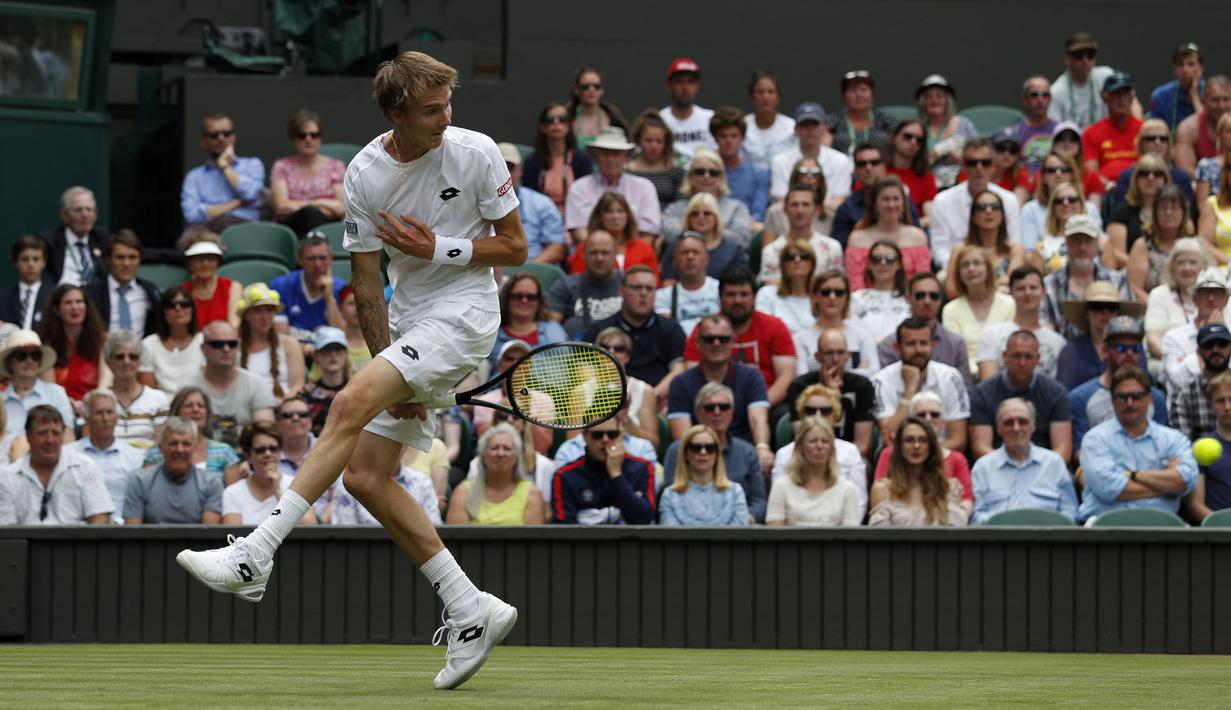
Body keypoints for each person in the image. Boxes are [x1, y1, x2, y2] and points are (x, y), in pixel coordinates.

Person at [175, 52, 523, 690]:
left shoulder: (476, 152)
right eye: (430, 110)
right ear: (396, 114)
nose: (445, 118)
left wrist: (436, 248)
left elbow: (516, 245)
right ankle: (470, 606)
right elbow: (365, 287)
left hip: (468, 313)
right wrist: (394, 373)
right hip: (412, 323)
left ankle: (256, 554)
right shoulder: (365, 173)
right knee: (365, 475)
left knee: (342, 406)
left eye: (448, 104)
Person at [1078, 366, 1197, 523]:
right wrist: (1166, 485)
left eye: (1137, 396)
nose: (1129, 403)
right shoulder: (1095, 438)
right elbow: (1109, 488)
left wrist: (1132, 475)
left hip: (1164, 528)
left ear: (1150, 398)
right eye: (1122, 397)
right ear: (1112, 401)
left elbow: (1187, 481)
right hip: (1105, 527)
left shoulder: (1173, 439)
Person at [681, 267, 796, 419]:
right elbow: (694, 375)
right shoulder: (705, 330)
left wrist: (759, 405)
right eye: (731, 295)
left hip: (765, 402)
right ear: (720, 297)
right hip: (713, 406)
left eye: (744, 294)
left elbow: (786, 376)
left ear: (754, 296)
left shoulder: (774, 327)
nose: (738, 300)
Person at [669, 315, 771, 460]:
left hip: (742, 456)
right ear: (697, 342)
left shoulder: (751, 377)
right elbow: (683, 436)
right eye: (709, 339)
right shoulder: (680, 383)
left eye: (723, 339)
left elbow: (758, 419)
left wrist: (762, 448)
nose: (716, 344)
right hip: (699, 455)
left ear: (733, 342)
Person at [579, 265, 686, 397]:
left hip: (657, 398)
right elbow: (583, 370)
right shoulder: (599, 329)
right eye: (637, 287)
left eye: (650, 288)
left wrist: (649, 396)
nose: (643, 293)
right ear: (621, 291)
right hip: (608, 400)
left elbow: (679, 370)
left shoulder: (670, 329)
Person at [1069, 316, 1167, 458]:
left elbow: (1163, 446)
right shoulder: (1080, 398)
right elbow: (1079, 452)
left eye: (1136, 348)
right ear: (1104, 351)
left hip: (1147, 471)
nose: (1129, 354)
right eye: (1121, 348)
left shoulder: (1155, 398)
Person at [970, 398, 1079, 525]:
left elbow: (1070, 513)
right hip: (998, 541)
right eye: (1009, 422)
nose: (1016, 428)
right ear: (998, 428)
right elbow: (975, 518)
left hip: (1048, 541)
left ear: (1033, 425)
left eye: (1023, 421)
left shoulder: (1054, 463)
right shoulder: (983, 467)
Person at [969, 331, 1073, 463]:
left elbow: (1063, 450)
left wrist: (1035, 469)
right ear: (1005, 357)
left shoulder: (1056, 392)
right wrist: (1012, 467)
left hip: (1045, 469)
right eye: (1016, 356)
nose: (1022, 363)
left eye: (1028, 357)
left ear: (1038, 359)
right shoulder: (983, 393)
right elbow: (981, 447)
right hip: (998, 468)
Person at [871, 317, 970, 451]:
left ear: (932, 345)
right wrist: (909, 389)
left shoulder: (951, 377)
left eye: (923, 343)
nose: (918, 350)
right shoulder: (880, 381)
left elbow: (958, 440)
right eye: (911, 344)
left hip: (941, 455)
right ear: (897, 347)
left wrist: (923, 454)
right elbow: (889, 436)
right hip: (897, 458)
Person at [3, 405, 111, 524]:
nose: (50, 440)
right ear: (28, 436)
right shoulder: (8, 477)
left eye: (56, 433)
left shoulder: (85, 467)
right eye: (42, 433)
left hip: (77, 542)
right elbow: (6, 531)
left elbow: (100, 519)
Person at [771, 384, 868, 517]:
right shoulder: (784, 454)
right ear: (801, 414)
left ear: (836, 416)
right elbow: (777, 505)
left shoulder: (850, 452)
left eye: (826, 411)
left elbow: (859, 502)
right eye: (810, 410)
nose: (818, 415)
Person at [871, 391, 974, 515]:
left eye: (934, 414)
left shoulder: (951, 483)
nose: (928, 419)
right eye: (921, 415)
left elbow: (966, 500)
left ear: (943, 421)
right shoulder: (888, 457)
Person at [930, 138, 1022, 272]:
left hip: (1000, 269)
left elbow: (1014, 242)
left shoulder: (1009, 199)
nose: (979, 168)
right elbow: (940, 250)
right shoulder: (942, 201)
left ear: (993, 165)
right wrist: (964, 270)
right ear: (963, 165)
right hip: (957, 270)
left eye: (985, 163)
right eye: (972, 163)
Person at [785, 330, 875, 459]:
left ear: (848, 356)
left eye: (840, 352)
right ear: (817, 357)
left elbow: (862, 445)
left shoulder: (862, 386)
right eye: (829, 353)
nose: (835, 359)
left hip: (848, 459)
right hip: (809, 458)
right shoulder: (800, 386)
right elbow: (801, 438)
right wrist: (830, 396)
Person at [876, 272, 973, 391]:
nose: (927, 301)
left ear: (940, 300)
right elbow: (886, 388)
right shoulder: (889, 345)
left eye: (933, 296)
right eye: (920, 295)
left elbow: (965, 390)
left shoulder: (956, 343)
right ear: (908, 298)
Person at [564, 127, 660, 246]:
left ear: (626, 157)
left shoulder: (644, 187)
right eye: (605, 154)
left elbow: (648, 234)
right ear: (595, 157)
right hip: (593, 255)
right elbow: (579, 231)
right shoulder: (579, 188)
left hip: (634, 256)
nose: (610, 159)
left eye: (616, 154)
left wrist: (626, 256)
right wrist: (605, 253)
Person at [551, 417, 656, 525]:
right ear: (585, 436)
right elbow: (565, 530)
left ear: (621, 434)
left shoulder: (642, 468)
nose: (605, 440)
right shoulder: (565, 476)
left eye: (612, 434)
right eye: (597, 435)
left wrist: (616, 475)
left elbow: (644, 519)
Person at [188, 320, 277, 446]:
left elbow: (266, 433)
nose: (226, 349)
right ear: (203, 349)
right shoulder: (188, 388)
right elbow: (183, 434)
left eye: (232, 344)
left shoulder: (257, 385)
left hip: (246, 458)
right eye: (218, 344)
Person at [868, 415, 968, 527]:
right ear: (899, 446)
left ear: (931, 446)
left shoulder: (948, 488)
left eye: (923, 440)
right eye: (909, 440)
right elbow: (879, 539)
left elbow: (957, 535)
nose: (916, 446)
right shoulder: (882, 489)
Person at [1042, 214, 1130, 340]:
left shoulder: (1117, 280)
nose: (1082, 247)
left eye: (1088, 241)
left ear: (1097, 244)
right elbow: (1046, 329)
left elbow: (1124, 324)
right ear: (1066, 243)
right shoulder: (1049, 284)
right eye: (1076, 240)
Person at [124, 416, 223, 524]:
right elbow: (133, 534)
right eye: (173, 443)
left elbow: (209, 535)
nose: (179, 450)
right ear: (161, 448)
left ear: (195, 448)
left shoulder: (211, 484)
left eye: (186, 444)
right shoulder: (140, 481)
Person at [180, 113, 264, 240]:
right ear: (203, 141)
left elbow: (250, 194)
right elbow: (191, 215)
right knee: (186, 241)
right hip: (205, 231)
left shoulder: (252, 164)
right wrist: (238, 202)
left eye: (226, 133)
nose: (221, 138)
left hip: (244, 228)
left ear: (234, 137)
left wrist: (225, 167)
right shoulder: (194, 176)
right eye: (214, 135)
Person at [69, 388, 146, 524]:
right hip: (78, 532)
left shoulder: (134, 457)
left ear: (116, 417)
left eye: (109, 412)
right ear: (86, 418)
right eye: (99, 413)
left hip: (122, 533)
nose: (105, 418)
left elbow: (139, 503)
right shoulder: (69, 454)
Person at [976, 266, 1067, 380]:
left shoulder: (1058, 343)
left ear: (1043, 292)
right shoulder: (991, 335)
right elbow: (988, 387)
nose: (1027, 293)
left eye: (1033, 288)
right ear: (1011, 292)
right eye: (1021, 288)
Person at [766, 417, 861, 527]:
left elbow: (851, 538)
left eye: (825, 441)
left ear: (832, 448)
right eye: (812, 441)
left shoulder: (847, 489)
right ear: (800, 447)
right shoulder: (781, 486)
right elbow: (774, 535)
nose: (819, 446)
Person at [447, 423, 546, 525]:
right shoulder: (463, 493)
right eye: (494, 448)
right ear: (483, 455)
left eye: (507, 448)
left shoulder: (531, 494)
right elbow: (455, 538)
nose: (500, 454)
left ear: (517, 457)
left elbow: (533, 539)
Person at [845, 176, 932, 291]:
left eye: (896, 199)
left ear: (903, 203)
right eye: (885, 199)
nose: (891, 205)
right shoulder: (857, 239)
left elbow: (922, 283)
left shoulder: (918, 237)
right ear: (875, 203)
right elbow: (855, 284)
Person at [141, 385, 242, 484]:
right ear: (176, 412)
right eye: (189, 405)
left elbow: (232, 495)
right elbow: (144, 488)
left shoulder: (224, 452)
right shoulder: (157, 451)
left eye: (201, 406)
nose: (195, 409)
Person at [223, 422, 317, 526]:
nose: (268, 454)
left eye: (273, 449)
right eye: (260, 450)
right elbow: (232, 536)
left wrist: (278, 491)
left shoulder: (298, 485)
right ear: (248, 455)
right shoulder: (233, 492)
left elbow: (309, 527)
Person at [1056, 280, 1145, 390]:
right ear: (1087, 314)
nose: (1105, 313)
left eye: (1111, 308)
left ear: (1118, 313)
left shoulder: (1134, 348)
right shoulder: (1071, 350)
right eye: (1097, 307)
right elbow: (1064, 391)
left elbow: (1143, 384)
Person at [941, 245, 1016, 375]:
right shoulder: (950, 310)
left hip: (1005, 374)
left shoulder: (1009, 303)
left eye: (976, 263)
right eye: (965, 265)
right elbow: (954, 353)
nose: (971, 268)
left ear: (988, 268)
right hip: (967, 376)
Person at [270, 109, 346, 236]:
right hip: (291, 227)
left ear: (320, 137)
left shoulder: (335, 166)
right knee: (308, 214)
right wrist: (320, 204)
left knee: (311, 214)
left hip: (327, 225)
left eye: (314, 135)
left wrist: (308, 205)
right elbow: (281, 206)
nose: (308, 139)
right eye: (302, 135)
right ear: (293, 138)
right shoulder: (281, 166)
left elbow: (340, 208)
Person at [831, 144, 922, 247]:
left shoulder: (904, 202)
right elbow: (842, 248)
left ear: (883, 166)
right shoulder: (846, 208)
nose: (868, 168)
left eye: (874, 162)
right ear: (855, 170)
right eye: (862, 164)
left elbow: (916, 239)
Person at [659, 424, 750, 526]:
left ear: (717, 454)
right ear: (685, 454)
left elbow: (738, 535)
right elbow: (671, 537)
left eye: (710, 448)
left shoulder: (735, 492)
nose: (703, 452)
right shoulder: (670, 495)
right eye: (696, 448)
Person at [661, 148, 753, 247]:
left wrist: (692, 231)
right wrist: (715, 233)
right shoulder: (675, 208)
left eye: (713, 173)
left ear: (721, 178)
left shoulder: (737, 208)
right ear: (690, 176)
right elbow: (670, 236)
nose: (706, 176)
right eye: (700, 172)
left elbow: (740, 239)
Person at [770, 102, 853, 210]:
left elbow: (839, 200)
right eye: (805, 125)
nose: (810, 129)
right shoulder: (780, 161)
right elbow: (781, 200)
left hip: (827, 219)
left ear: (824, 128)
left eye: (815, 124)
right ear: (795, 130)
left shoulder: (841, 161)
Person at [1161, 270, 1231, 396]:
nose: (1210, 299)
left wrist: (1192, 359)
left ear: (1226, 300)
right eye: (1205, 293)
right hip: (1188, 407)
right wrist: (1207, 337)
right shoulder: (1174, 337)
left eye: (1216, 293)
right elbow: (1179, 380)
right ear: (1195, 298)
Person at [757, 184, 842, 286]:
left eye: (805, 205)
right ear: (785, 210)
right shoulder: (771, 251)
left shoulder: (832, 248)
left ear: (817, 210)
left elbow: (836, 286)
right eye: (794, 205)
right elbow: (770, 289)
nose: (800, 210)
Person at [944, 190, 1025, 296]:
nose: (988, 211)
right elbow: (952, 290)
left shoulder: (1014, 249)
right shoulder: (960, 250)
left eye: (995, 206)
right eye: (982, 207)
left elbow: (1015, 285)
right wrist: (999, 284)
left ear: (1002, 215)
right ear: (973, 216)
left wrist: (974, 287)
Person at [1022, 152, 1102, 259]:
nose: (1058, 174)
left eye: (1064, 169)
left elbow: (1100, 245)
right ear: (1043, 176)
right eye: (1051, 170)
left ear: (1072, 174)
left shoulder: (1090, 208)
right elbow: (1029, 252)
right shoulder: (1030, 209)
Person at [495, 142, 564, 265]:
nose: (504, 174)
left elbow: (556, 248)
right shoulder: (473, 204)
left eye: (509, 168)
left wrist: (525, 270)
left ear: (520, 171)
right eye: (499, 168)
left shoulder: (542, 203)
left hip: (532, 272)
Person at [38, 283, 106, 405]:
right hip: (59, 408)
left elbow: (105, 383)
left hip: (95, 407)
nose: (75, 307)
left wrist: (88, 404)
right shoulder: (47, 345)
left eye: (79, 301)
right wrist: (68, 404)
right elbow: (49, 388)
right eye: (68, 303)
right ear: (57, 310)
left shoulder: (101, 342)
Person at [82, 230, 159, 337]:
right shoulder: (91, 293)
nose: (126, 263)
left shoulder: (150, 291)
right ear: (108, 260)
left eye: (132, 257)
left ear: (139, 260)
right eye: (120, 257)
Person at [544, 230, 622, 336]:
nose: (599, 258)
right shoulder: (566, 285)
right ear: (583, 255)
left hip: (618, 349)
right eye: (593, 252)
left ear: (615, 255)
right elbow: (549, 328)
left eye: (605, 253)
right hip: (576, 349)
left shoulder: (629, 284)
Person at [1127, 186, 1196, 304]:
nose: (1168, 213)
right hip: (1151, 308)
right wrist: (1158, 309)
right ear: (1154, 213)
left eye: (1174, 208)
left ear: (1183, 212)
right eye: (1163, 208)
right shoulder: (1143, 245)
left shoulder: (1195, 245)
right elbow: (1135, 288)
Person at [566, 191, 659, 279]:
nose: (615, 217)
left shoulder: (644, 248)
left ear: (628, 216)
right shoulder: (586, 247)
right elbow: (577, 282)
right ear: (599, 217)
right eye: (609, 212)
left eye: (620, 211)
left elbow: (654, 281)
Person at [521, 101, 594, 213]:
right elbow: (529, 198)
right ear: (542, 126)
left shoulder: (581, 158)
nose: (556, 123)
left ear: (569, 125)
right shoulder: (533, 160)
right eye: (550, 120)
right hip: (541, 217)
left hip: (575, 216)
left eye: (562, 119)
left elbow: (587, 195)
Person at [237, 283, 306, 399]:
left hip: (284, 409)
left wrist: (282, 404)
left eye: (269, 311)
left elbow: (298, 386)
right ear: (246, 315)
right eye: (258, 311)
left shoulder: (289, 343)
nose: (264, 317)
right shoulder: (233, 346)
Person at [1143, 237, 1207, 363]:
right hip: (1167, 361)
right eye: (1181, 263)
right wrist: (1180, 362)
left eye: (1193, 262)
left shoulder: (1215, 296)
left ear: (1203, 267)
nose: (1187, 268)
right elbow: (1153, 341)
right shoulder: (1160, 294)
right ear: (1172, 267)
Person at [594, 327, 659, 451]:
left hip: (633, 457)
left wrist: (626, 421)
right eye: (605, 347)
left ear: (627, 356)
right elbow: (572, 444)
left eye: (619, 349)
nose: (611, 351)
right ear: (597, 354)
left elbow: (653, 446)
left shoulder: (644, 391)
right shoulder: (580, 390)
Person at [0, 330, 73, 440]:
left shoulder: (56, 393)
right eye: (22, 356)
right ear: (10, 362)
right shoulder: (1, 401)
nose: (29, 361)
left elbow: (68, 437)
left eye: (35, 355)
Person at [660, 193, 748, 283]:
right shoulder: (677, 245)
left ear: (716, 217)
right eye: (695, 214)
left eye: (707, 213)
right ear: (688, 218)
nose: (701, 217)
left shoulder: (732, 247)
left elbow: (741, 283)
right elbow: (668, 281)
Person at [102, 331, 170, 446]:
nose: (127, 362)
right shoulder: (98, 399)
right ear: (108, 362)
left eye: (133, 357)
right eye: (120, 357)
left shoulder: (158, 399)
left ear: (140, 361)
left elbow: (160, 447)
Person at [268, 236, 345, 337]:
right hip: (293, 350)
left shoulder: (341, 289)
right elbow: (281, 337)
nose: (317, 264)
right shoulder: (281, 286)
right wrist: (305, 348)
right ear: (299, 260)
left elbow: (343, 337)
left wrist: (330, 299)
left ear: (331, 259)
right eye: (311, 259)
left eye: (322, 258)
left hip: (329, 352)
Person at [1105, 154, 1172, 269]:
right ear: (1136, 179)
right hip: (1130, 271)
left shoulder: (1174, 210)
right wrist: (1143, 269)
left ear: (1165, 179)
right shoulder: (1122, 211)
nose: (1150, 177)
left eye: (1157, 174)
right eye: (1144, 173)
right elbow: (1116, 252)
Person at [1110, 120, 1196, 209]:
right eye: (1151, 138)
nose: (1157, 142)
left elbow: (1188, 214)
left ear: (1169, 144)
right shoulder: (1127, 177)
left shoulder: (1182, 178)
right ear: (1141, 143)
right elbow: (1119, 212)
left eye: (1163, 139)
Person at [38, 186, 112, 287]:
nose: (85, 214)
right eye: (78, 210)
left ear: (95, 215)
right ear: (64, 216)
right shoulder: (48, 241)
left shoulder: (103, 238)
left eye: (89, 209)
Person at [137, 286, 205, 395]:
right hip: (160, 409)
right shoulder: (148, 345)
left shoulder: (204, 341)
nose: (178, 308)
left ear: (192, 309)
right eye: (171, 305)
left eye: (184, 304)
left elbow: (207, 386)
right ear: (163, 311)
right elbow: (148, 393)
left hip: (196, 406)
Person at [1048, 32, 1124, 129]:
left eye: (1090, 55)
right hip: (1074, 143)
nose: (1085, 60)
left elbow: (1131, 102)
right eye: (1078, 55)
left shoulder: (1106, 77)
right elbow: (1055, 131)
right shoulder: (1056, 91)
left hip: (1106, 141)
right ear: (1067, 59)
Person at [489, 273, 567, 367]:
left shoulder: (554, 329)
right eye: (518, 296)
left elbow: (567, 364)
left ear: (539, 301)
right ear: (507, 298)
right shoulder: (492, 334)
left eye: (531, 297)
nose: (524, 301)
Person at [1081, 71, 1142, 189]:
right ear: (1104, 97)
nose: (1122, 99)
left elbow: (1153, 166)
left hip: (1140, 189)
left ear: (1132, 96)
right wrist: (1109, 185)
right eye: (1116, 94)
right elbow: (1091, 172)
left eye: (1126, 93)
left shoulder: (1144, 130)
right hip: (1107, 192)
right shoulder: (1091, 133)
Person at [1171, 323, 1231, 443]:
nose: (1215, 350)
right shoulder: (1184, 393)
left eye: (1222, 344)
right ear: (1199, 352)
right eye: (1208, 345)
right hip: (1201, 460)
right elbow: (1182, 445)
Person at [1185, 371, 1231, 522]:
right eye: (1220, 401)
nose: (1227, 406)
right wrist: (1222, 526)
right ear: (1211, 406)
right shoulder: (1199, 448)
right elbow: (1195, 505)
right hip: (1216, 536)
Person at [712, 106, 769, 225]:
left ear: (742, 138)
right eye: (723, 136)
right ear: (715, 139)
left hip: (748, 229)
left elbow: (758, 213)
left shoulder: (759, 173)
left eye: (733, 136)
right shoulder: (705, 173)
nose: (728, 141)